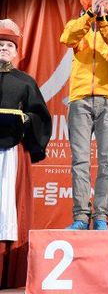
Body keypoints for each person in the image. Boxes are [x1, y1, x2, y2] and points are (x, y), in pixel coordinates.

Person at [60, 0, 108, 230]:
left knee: (106, 161)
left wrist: (104, 20)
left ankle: (101, 217)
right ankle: (80, 217)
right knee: (79, 161)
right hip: (79, 99)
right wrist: (91, 16)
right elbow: (67, 38)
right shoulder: (78, 23)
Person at [0, 19, 51, 240]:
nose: (3, 48)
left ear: (15, 53)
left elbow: (40, 115)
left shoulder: (25, 82)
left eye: (9, 45)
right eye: (0, 44)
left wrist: (26, 120)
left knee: (7, 203)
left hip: (10, 150)